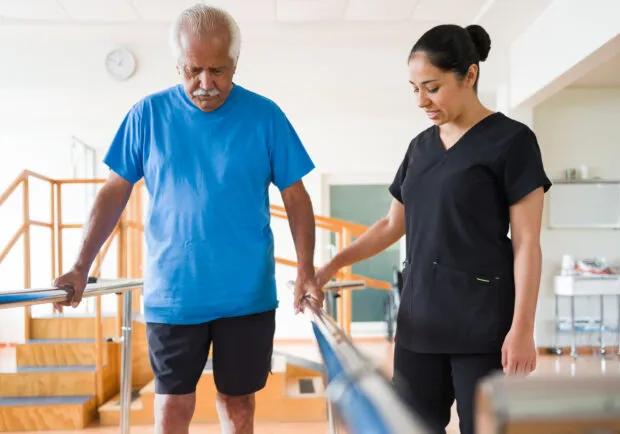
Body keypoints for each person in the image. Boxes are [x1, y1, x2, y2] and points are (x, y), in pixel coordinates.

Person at [52, 4, 323, 434]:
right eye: (193, 70)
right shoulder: (147, 115)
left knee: (238, 408)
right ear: (178, 63)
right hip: (174, 294)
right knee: (172, 409)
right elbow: (113, 192)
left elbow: (297, 197)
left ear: (236, 63)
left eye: (218, 71)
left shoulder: (264, 116)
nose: (205, 84)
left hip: (246, 294)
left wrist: (306, 270)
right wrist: (81, 266)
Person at [315, 24, 551, 434]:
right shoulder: (420, 147)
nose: (422, 100)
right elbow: (392, 225)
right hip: (418, 324)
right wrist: (332, 263)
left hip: (483, 325)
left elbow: (528, 242)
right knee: (409, 426)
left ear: (470, 75)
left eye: (433, 87)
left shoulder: (512, 142)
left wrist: (523, 329)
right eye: (414, 89)